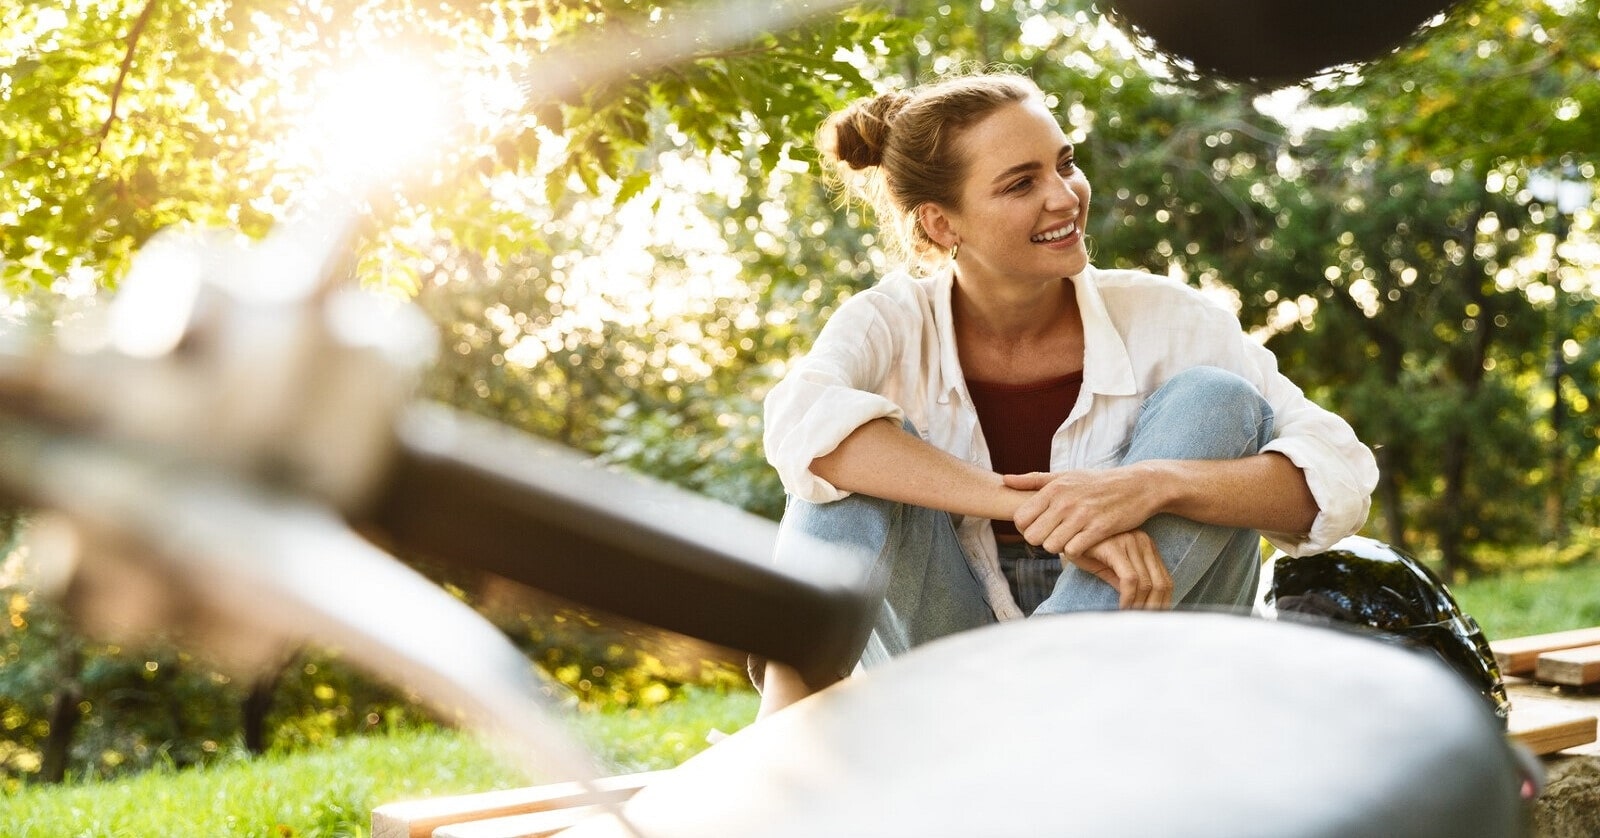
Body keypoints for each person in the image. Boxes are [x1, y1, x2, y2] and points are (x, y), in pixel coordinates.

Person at [756, 69, 1379, 716]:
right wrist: (1023, 505)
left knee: (1217, 401)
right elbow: (802, 423)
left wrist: (1154, 485)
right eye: (1022, 184)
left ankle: (1038, 707)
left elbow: (1339, 478)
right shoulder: (887, 322)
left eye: (1066, 164)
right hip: (952, 658)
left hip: (1144, 653)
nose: (1065, 196)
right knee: (840, 463)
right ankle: (781, 747)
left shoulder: (1169, 318)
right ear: (941, 225)